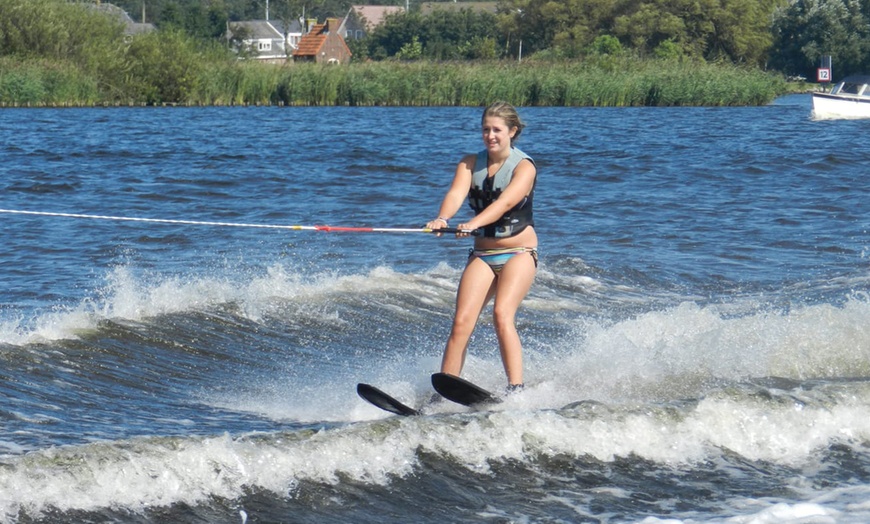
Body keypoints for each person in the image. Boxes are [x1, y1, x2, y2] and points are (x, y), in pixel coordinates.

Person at [426, 101, 537, 392]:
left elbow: (505, 203)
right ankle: (446, 391)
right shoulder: (469, 163)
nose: (491, 135)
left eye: (497, 130)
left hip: (519, 253)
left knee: (502, 314)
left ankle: (516, 389)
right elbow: (456, 193)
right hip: (483, 254)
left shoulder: (524, 167)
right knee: (462, 321)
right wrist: (442, 218)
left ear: (512, 131)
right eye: (486, 129)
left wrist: (474, 223)